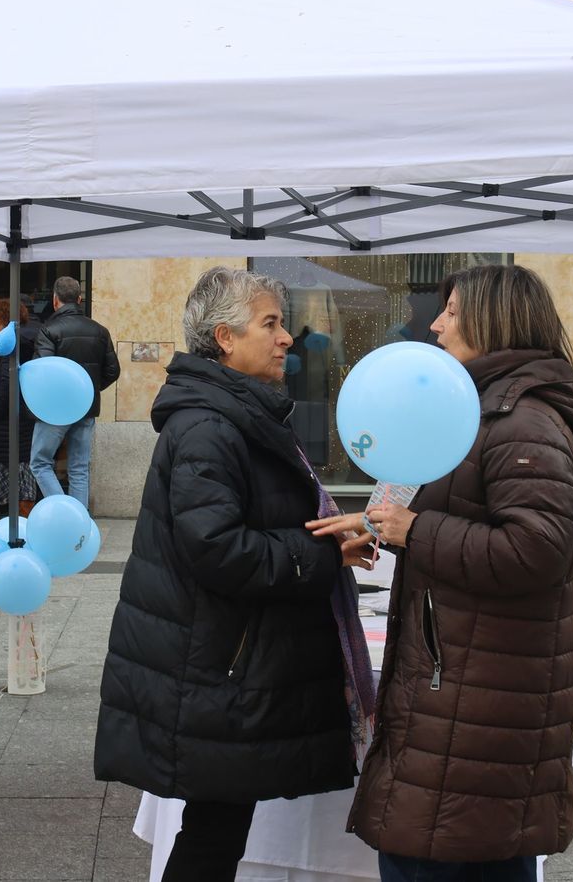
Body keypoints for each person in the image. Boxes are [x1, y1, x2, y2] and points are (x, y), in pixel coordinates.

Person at [311, 263, 573, 882]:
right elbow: (464, 511)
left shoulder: (521, 420)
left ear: (493, 322)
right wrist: (377, 526)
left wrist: (414, 530)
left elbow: (538, 547)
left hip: (483, 688)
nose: (437, 324)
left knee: (450, 852)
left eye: (451, 311)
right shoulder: (478, 409)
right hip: (467, 680)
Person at [95, 266, 368, 882]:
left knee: (215, 830)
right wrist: (321, 554)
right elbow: (218, 550)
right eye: (270, 324)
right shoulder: (210, 426)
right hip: (218, 665)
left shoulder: (235, 414)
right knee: (212, 838)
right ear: (224, 337)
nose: (286, 339)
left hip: (222, 659)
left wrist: (328, 542)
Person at [31, 276, 120, 511]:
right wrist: (87, 391)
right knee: (79, 468)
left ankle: (64, 513)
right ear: (79, 299)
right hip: (86, 407)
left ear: (55, 300)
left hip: (55, 409)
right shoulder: (100, 331)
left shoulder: (49, 330)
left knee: (40, 462)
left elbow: (43, 371)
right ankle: (79, 523)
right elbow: (113, 371)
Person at [0, 297, 41, 523]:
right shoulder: (21, 340)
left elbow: (7, 379)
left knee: (6, 462)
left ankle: (8, 512)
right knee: (20, 462)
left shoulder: (7, 344)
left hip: (8, 417)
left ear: (6, 319)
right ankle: (19, 509)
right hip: (23, 415)